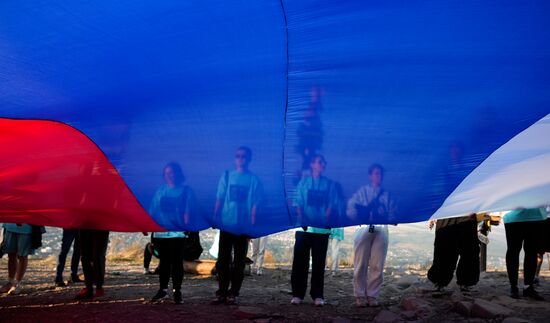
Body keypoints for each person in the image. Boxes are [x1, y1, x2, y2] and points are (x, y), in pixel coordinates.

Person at [212, 146, 263, 305]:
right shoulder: (227, 175)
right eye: (238, 156)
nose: (240, 159)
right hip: (226, 224)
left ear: (248, 159)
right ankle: (221, 292)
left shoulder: (253, 179)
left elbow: (255, 204)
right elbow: (220, 197)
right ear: (234, 159)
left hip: (243, 226)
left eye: (243, 156)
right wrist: (215, 217)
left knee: (239, 262)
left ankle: (234, 293)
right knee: (223, 261)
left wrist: (252, 226)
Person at [290, 154, 337, 307]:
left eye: (323, 162)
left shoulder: (329, 184)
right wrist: (304, 219)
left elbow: (331, 205)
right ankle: (297, 294)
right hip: (304, 229)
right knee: (299, 263)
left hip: (322, 231)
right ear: (312, 164)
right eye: (318, 161)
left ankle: (318, 295)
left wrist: (324, 217)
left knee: (318, 264)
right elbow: (298, 204)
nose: (321, 164)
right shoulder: (303, 183)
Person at [347, 164, 396, 307]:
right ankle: (360, 295)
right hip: (363, 228)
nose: (377, 176)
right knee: (360, 263)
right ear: (370, 176)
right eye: (375, 173)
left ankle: (372, 295)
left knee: (377, 263)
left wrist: (391, 217)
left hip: (381, 229)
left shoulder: (387, 194)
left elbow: (393, 211)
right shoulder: (361, 192)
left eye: (380, 174)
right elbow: (351, 210)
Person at [148, 162, 196, 304]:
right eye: (167, 173)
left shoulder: (186, 191)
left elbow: (188, 212)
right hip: (161, 234)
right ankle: (163, 290)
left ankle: (177, 291)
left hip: (178, 234)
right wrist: (145, 225)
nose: (170, 176)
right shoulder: (160, 191)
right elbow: (153, 211)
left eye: (172, 172)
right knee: (164, 263)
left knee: (176, 263)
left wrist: (187, 227)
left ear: (178, 174)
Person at [427, 214, 480, 293]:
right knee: (444, 247)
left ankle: (466, 283)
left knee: (469, 248)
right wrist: (432, 215)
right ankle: (439, 283)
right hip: (447, 212)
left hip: (468, 210)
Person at [503, 207, 547, 300]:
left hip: (536, 217)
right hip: (514, 218)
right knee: (513, 252)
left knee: (531, 252)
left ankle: (528, 287)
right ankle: (514, 287)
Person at [0, 223, 35, 295]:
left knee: (22, 256)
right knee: (11, 254)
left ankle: (17, 284)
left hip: (26, 228)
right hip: (9, 226)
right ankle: (10, 282)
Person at [75, 229, 110, 300]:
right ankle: (89, 288)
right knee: (85, 255)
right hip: (85, 223)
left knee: (98, 255)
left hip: (101, 223)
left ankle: (99, 289)